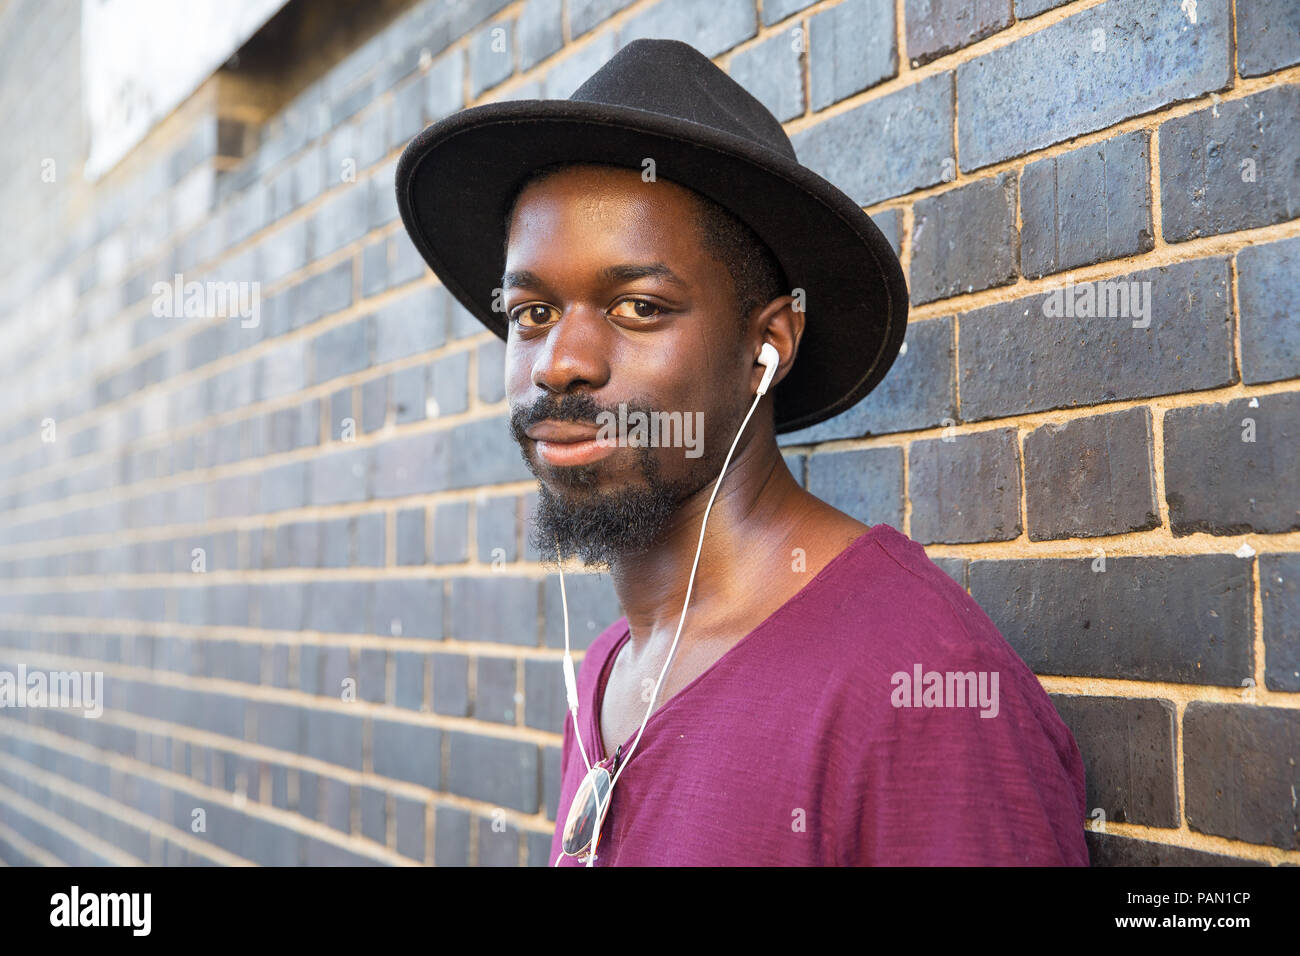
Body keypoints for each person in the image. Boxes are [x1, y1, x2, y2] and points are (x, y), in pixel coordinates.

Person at [395, 38, 1088, 866]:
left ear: (768, 345)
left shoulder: (916, 687)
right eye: (532, 313)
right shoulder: (608, 671)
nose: (559, 362)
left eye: (639, 306)